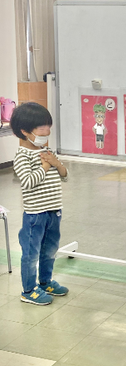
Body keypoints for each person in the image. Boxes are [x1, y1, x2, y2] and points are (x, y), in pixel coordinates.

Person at [10, 102, 69, 305]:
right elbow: (28, 182)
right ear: (25, 132)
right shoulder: (22, 156)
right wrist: (45, 166)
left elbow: (65, 176)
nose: (46, 136)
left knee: (50, 249)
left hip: (54, 210)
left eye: (48, 130)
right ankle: (28, 290)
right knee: (31, 253)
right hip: (36, 214)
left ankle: (45, 281)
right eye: (41, 132)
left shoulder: (47, 150)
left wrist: (56, 163)